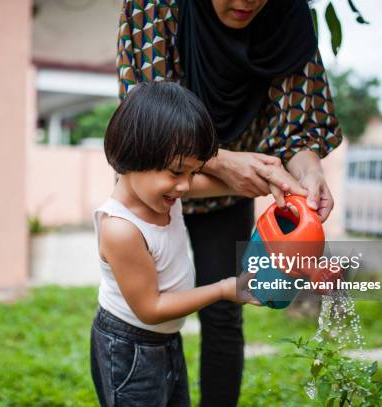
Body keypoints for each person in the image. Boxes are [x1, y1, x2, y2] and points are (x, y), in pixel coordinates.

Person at [116, 1, 344, 405]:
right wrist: (221, 162)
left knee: (223, 320)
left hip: (231, 190)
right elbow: (145, 118)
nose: (247, 2)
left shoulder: (289, 19)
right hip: (158, 175)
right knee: (141, 321)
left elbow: (299, 129)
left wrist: (310, 172)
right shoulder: (154, 6)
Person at [90, 81, 262, 407]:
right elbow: (151, 309)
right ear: (133, 154)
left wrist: (258, 184)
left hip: (165, 340)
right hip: (130, 348)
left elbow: (222, 188)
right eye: (177, 172)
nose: (185, 186)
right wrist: (224, 289)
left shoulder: (162, 193)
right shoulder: (122, 229)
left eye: (194, 173)